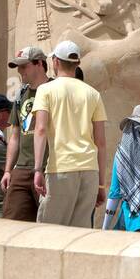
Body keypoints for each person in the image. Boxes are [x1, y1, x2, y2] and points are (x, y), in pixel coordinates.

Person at [32, 40, 108, 227]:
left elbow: (40, 129)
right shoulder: (93, 94)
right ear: (77, 64)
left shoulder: (45, 90)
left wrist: (37, 169)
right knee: (80, 234)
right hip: (89, 170)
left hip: (61, 169)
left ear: (55, 62)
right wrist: (100, 184)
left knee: (49, 232)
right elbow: (101, 142)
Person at [1, 46, 50, 222]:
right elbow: (14, 136)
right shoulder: (21, 94)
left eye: (24, 66)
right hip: (21, 169)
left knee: (51, 224)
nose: (20, 71)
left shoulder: (55, 89)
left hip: (48, 167)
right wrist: (8, 171)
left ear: (39, 64)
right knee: (12, 222)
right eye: (18, 67)